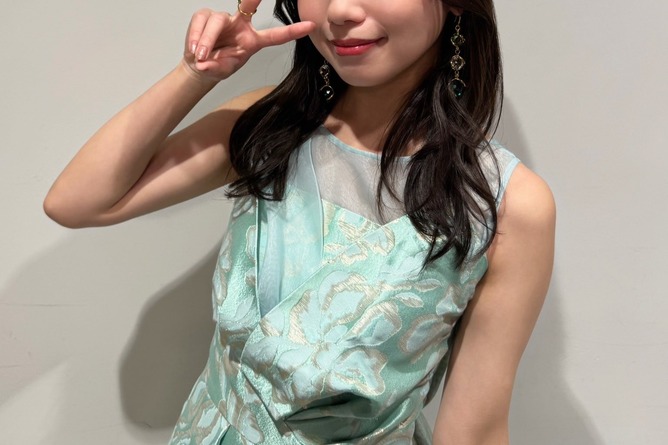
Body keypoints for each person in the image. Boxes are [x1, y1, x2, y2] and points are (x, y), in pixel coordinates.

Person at [44, 0, 555, 443]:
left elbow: (474, 432)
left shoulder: (504, 205)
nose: (340, 11)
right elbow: (78, 202)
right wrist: (196, 73)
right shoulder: (271, 128)